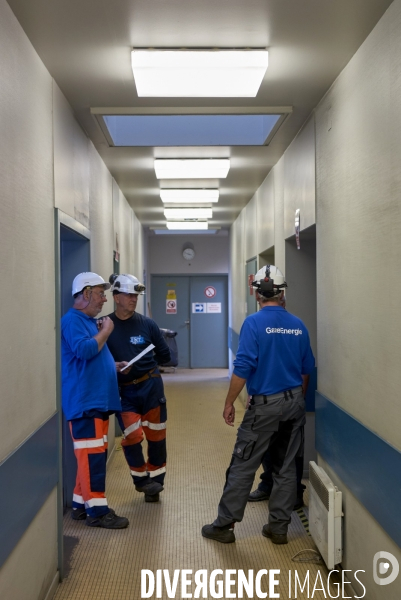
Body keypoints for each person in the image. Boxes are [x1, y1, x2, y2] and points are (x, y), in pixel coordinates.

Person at [202, 265, 315, 545]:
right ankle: (278, 528)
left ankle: (224, 526)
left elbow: (243, 367)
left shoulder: (253, 323)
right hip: (293, 403)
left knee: (243, 464)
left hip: (264, 407)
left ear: (257, 293)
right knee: (286, 467)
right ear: (282, 294)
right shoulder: (298, 325)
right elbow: (306, 370)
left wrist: (229, 402)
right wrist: (296, 398)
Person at [61, 272, 129, 529]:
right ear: (86, 293)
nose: (104, 300)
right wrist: (107, 331)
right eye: (100, 293)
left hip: (97, 402)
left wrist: (114, 365)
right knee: (92, 459)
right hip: (85, 403)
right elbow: (85, 350)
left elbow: (95, 355)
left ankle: (80, 505)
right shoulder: (72, 321)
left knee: (92, 456)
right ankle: (98, 513)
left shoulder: (89, 322)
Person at [106, 274, 171, 503]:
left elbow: (165, 355)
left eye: (136, 295)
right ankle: (142, 481)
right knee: (133, 437)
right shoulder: (105, 325)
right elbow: (96, 359)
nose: (134, 299)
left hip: (151, 387)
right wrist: (113, 367)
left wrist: (145, 364)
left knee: (156, 435)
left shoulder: (148, 324)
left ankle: (156, 483)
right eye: (128, 295)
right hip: (124, 392)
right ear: (116, 298)